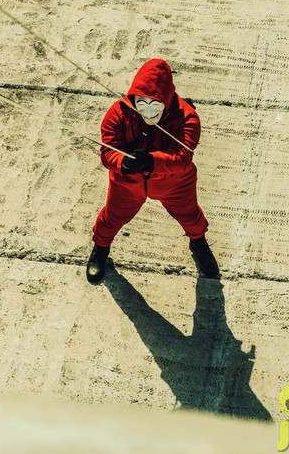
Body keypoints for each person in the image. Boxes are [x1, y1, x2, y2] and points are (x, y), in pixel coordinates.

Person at [86, 58, 218, 284]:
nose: (148, 112)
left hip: (175, 183)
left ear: (167, 101)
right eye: (142, 103)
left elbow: (182, 157)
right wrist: (124, 164)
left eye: (155, 105)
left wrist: (151, 161)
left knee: (191, 217)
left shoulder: (187, 118)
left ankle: (198, 242)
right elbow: (108, 153)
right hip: (127, 183)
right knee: (112, 218)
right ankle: (100, 248)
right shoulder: (118, 113)